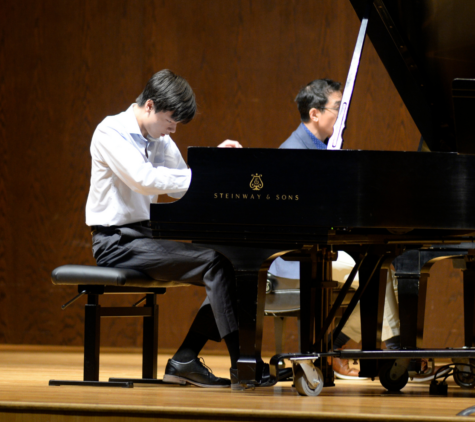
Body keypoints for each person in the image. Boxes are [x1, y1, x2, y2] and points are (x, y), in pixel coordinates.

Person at [86, 69, 244, 388]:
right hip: (115, 242)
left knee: (233, 264)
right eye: (170, 119)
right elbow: (144, 180)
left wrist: (215, 164)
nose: (173, 128)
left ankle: (186, 358)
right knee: (216, 262)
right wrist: (202, 177)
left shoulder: (159, 136)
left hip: (144, 237)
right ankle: (243, 365)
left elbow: (181, 184)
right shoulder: (110, 131)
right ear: (149, 106)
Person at [270, 78, 402, 379]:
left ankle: (342, 346)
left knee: (380, 268)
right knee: (375, 272)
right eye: (338, 108)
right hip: (293, 257)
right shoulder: (295, 152)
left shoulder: (321, 149)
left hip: (317, 247)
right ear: (315, 113)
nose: (343, 115)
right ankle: (391, 349)